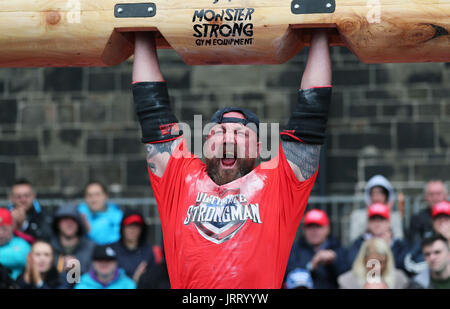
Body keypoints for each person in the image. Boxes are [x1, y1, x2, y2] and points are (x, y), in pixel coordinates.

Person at [131, 28, 332, 288]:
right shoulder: (180, 177)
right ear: (206, 144)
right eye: (220, 132)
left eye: (240, 133)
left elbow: (311, 114)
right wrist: (141, 31)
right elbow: (151, 110)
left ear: (258, 148)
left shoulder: (278, 184)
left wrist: (319, 30)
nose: (229, 138)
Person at [285, 209, 349, 289]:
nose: (314, 231)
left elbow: (348, 275)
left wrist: (333, 262)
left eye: (318, 226)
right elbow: (287, 274)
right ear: (304, 230)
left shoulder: (338, 248)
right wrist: (311, 266)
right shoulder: (295, 249)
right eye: (310, 227)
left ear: (327, 229)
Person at [347, 203, 409, 272]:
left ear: (388, 222)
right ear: (368, 223)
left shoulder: (399, 244)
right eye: (373, 219)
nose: (377, 223)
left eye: (381, 219)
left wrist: (389, 248)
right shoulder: (359, 243)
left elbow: (403, 267)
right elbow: (352, 264)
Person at [349, 175, 404, 242]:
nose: (377, 197)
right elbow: (354, 240)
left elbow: (399, 239)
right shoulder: (358, 215)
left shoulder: (395, 216)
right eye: (373, 193)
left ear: (387, 196)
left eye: (381, 193)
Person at [338, 238, 410, 289]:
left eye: (381, 262)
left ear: (387, 261)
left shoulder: (400, 280)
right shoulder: (347, 282)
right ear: (364, 260)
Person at [50, 204, 95, 281]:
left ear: (79, 224)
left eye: (73, 220)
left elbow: (97, 278)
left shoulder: (91, 247)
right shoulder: (49, 248)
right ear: (57, 224)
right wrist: (60, 270)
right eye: (64, 220)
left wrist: (77, 271)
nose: (69, 224)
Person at [404, 201, 450, 276]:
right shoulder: (425, 240)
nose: (442, 222)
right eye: (439, 218)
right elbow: (410, 263)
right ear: (433, 222)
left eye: (446, 218)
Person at [111, 210, 154, 283]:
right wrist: (134, 281)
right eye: (129, 226)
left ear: (142, 229)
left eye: (136, 226)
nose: (132, 230)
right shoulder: (112, 250)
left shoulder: (148, 251)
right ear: (123, 228)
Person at [8, 179, 53, 243]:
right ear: (11, 198)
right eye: (18, 197)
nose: (23, 200)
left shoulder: (44, 214)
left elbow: (46, 238)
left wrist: (24, 224)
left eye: (26, 196)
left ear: (33, 196)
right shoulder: (4, 215)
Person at [0, 207, 31, 280]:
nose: (0, 233)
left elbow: (21, 258)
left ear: (12, 227)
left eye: (4, 229)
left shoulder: (21, 243)